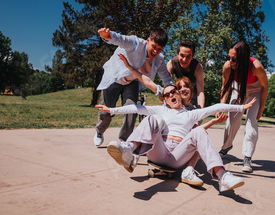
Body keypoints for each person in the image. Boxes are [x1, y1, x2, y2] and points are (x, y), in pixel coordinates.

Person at [96, 85, 256, 192]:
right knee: (152, 119)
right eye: (167, 94)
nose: (171, 95)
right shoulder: (161, 110)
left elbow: (216, 107)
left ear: (180, 94)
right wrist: (111, 110)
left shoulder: (191, 114)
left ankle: (223, 177)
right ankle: (129, 150)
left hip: (177, 156)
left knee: (200, 131)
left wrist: (241, 108)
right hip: (158, 151)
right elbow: (137, 108)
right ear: (165, 99)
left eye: (174, 92)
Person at [118, 53, 228, 184]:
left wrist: (213, 121)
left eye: (185, 87)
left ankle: (189, 170)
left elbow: (198, 132)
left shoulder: (193, 111)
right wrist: (130, 68)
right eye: (178, 88)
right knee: (154, 120)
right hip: (161, 146)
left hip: (179, 150)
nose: (181, 91)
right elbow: (147, 82)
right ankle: (133, 154)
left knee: (200, 133)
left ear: (191, 90)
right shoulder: (168, 100)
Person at [93, 27, 174, 147]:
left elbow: (166, 78)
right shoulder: (135, 43)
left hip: (133, 82)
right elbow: (121, 39)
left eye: (160, 49)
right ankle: (99, 131)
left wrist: (172, 92)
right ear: (148, 40)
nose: (156, 52)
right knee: (106, 111)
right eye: (154, 47)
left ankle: (125, 140)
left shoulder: (159, 59)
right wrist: (108, 36)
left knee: (133, 109)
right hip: (115, 78)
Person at [218, 41, 269, 173]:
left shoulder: (256, 67)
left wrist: (261, 108)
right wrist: (221, 106)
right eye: (229, 57)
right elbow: (225, 87)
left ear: (243, 58)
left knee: (251, 123)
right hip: (238, 88)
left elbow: (264, 87)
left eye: (233, 59)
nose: (230, 61)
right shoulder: (228, 66)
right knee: (232, 119)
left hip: (255, 91)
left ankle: (247, 157)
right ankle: (226, 147)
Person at [167, 40, 205, 108]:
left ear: (193, 56)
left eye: (188, 56)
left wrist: (200, 112)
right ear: (177, 54)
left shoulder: (198, 67)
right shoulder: (171, 64)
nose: (184, 60)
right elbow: (167, 88)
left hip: (192, 94)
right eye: (182, 55)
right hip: (177, 92)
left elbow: (200, 92)